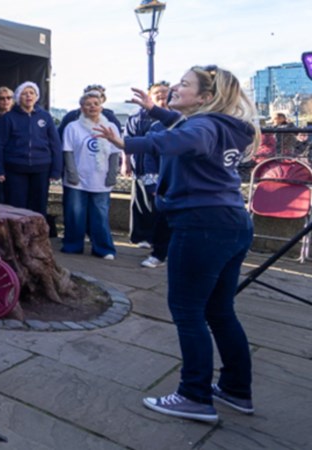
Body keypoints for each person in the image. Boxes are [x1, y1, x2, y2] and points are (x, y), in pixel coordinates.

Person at [95, 65, 259, 423]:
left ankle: (194, 396)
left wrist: (128, 144)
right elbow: (183, 127)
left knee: (187, 311)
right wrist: (155, 111)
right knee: (220, 311)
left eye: (184, 84)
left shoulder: (203, 127)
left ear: (205, 97)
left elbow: (187, 138)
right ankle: (235, 388)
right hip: (232, 222)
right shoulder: (223, 124)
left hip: (202, 225)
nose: (176, 88)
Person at [61, 90, 121, 260]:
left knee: (100, 215)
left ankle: (103, 248)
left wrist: (112, 174)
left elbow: (115, 152)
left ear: (101, 106)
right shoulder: (73, 127)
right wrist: (72, 173)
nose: (92, 107)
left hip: (101, 179)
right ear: (81, 108)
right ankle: (73, 245)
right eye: (88, 104)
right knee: (75, 214)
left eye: (96, 104)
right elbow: (68, 151)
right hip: (77, 179)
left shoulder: (110, 126)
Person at [0, 81, 62, 218]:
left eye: (31, 93)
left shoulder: (45, 116)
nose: (28, 96)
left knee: (39, 206)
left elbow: (55, 144)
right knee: (16, 206)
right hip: (15, 169)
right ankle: (17, 232)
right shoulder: (9, 117)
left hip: (41, 168)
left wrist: (56, 169)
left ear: (36, 96)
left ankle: (37, 232)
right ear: (19, 97)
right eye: (24, 93)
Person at [123, 81, 170, 253]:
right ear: (150, 96)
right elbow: (127, 140)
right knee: (142, 202)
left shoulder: (177, 116)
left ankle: (160, 239)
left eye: (165, 92)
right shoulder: (138, 116)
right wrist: (126, 162)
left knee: (162, 206)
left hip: (166, 167)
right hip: (142, 165)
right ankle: (141, 237)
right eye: (158, 92)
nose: (162, 95)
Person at [57, 84, 121, 138]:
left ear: (103, 99)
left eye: (99, 96)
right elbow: (60, 136)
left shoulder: (110, 117)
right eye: (91, 95)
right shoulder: (71, 116)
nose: (94, 98)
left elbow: (117, 138)